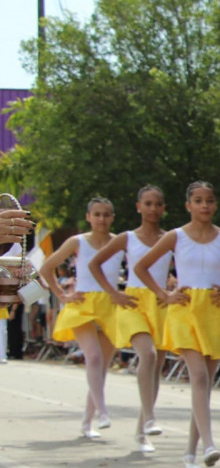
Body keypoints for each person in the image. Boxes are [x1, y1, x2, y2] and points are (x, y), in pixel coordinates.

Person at [134, 181, 220, 468]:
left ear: (215, 204)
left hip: (215, 310)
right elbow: (141, 267)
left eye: (209, 200)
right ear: (188, 206)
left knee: (204, 386)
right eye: (198, 200)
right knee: (198, 377)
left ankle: (190, 454)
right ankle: (209, 443)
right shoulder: (176, 236)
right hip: (184, 309)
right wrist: (164, 295)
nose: (204, 205)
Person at [88, 185, 171, 452]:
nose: (153, 209)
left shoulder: (173, 238)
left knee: (157, 366)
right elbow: (95, 264)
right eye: (147, 204)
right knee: (146, 355)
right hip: (134, 302)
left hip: (160, 303)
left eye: (158, 204)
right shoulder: (127, 237)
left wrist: (177, 289)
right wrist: (113, 293)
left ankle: (141, 433)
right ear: (138, 207)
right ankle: (149, 417)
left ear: (164, 208)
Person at [40, 198, 122, 439]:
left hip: (109, 305)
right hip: (83, 304)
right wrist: (62, 295)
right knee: (93, 358)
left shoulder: (119, 242)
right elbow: (47, 268)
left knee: (103, 366)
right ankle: (103, 411)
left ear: (112, 217)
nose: (101, 219)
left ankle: (87, 423)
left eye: (106, 215)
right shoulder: (77, 242)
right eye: (97, 214)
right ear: (88, 217)